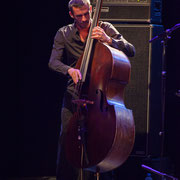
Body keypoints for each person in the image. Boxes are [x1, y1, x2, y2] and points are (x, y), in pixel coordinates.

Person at [48, 0, 135, 179]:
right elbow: (53, 62)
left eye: (87, 13)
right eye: (79, 16)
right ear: (72, 15)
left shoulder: (104, 27)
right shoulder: (64, 33)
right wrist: (69, 70)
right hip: (74, 94)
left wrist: (108, 40)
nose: (85, 19)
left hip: (100, 98)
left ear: (91, 9)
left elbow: (131, 50)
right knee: (67, 139)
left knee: (104, 140)